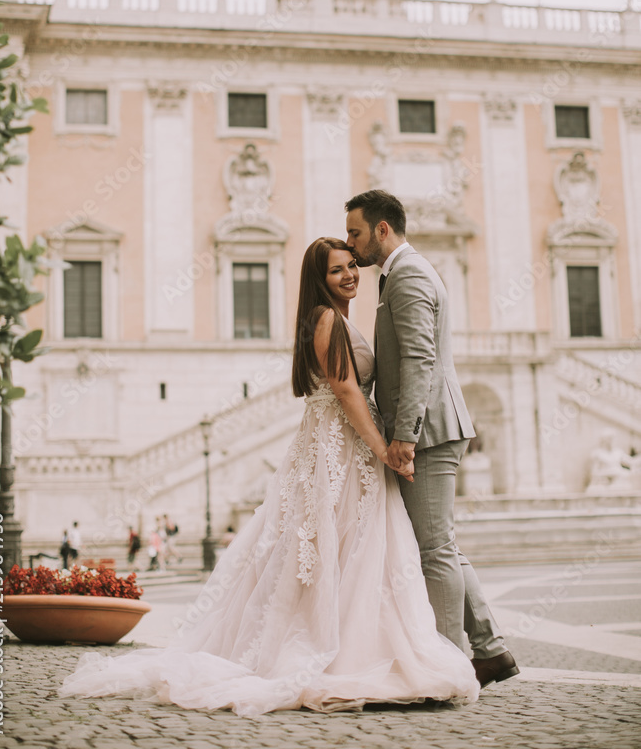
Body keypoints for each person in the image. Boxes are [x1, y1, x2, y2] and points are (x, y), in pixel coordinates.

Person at [60, 237, 479, 715]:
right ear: (318, 282)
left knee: (343, 551)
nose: (349, 275)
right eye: (336, 270)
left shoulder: (333, 318)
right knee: (341, 547)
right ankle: (342, 649)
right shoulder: (327, 320)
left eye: (350, 266)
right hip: (341, 450)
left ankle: (352, 642)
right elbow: (345, 389)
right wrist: (384, 449)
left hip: (340, 448)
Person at [345, 189, 519, 689]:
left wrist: (404, 436)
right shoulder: (400, 275)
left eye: (356, 232)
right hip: (433, 427)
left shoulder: (409, 274)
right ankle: (489, 650)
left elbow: (421, 359)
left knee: (435, 549)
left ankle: (451, 664)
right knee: (441, 544)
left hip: (430, 431)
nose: (351, 243)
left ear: (382, 229)